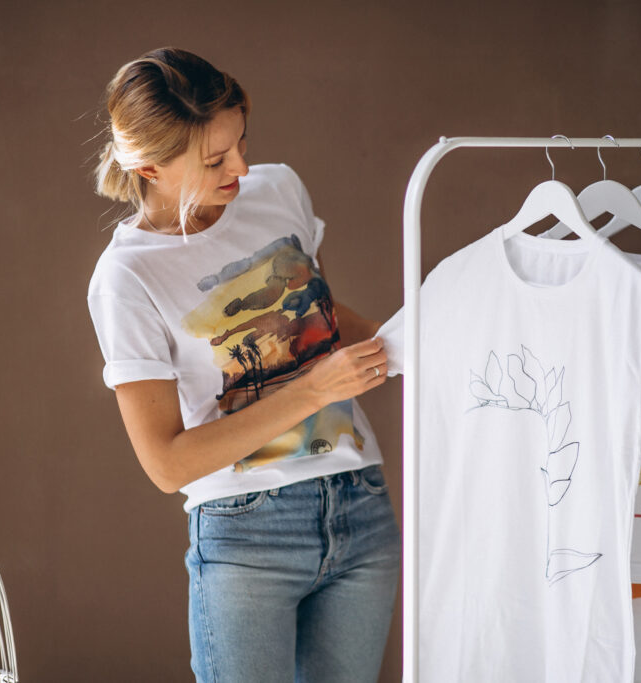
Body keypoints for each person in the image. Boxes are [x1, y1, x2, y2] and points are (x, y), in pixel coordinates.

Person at [86, 47, 400, 683]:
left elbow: (312, 310)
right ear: (147, 166)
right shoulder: (127, 277)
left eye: (240, 143)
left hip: (360, 504)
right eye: (214, 160)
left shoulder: (277, 189)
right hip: (248, 535)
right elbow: (168, 465)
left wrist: (420, 338)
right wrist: (314, 392)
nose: (242, 167)